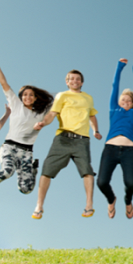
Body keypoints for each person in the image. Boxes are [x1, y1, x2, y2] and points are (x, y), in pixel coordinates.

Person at [0, 53, 54, 211]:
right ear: (21, 97)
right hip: (9, 148)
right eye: (25, 95)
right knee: (7, 171)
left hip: (27, 153)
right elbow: (3, 83)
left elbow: (52, 114)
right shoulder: (16, 104)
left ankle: (33, 169)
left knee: (26, 189)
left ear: (36, 98)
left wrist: (43, 123)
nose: (28, 97)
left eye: (31, 95)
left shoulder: (40, 113)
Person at [31, 69, 102, 219]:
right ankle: (39, 205)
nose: (74, 81)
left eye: (77, 79)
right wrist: (43, 123)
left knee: (87, 171)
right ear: (67, 82)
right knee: (46, 170)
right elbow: (52, 114)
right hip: (63, 138)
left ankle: (89, 205)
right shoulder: (62, 96)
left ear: (82, 82)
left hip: (82, 140)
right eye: (71, 79)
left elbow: (92, 116)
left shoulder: (88, 98)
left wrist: (95, 130)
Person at [97, 59, 133, 220]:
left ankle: (128, 201)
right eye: (123, 99)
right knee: (101, 182)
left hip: (129, 151)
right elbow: (114, 87)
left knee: (131, 183)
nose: (125, 102)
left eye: (129, 100)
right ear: (118, 102)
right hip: (110, 149)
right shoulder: (113, 110)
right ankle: (111, 200)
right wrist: (119, 67)